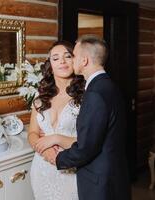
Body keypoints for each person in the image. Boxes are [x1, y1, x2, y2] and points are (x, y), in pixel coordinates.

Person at [36, 35, 131, 200]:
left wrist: (58, 158)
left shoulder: (94, 93)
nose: (70, 60)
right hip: (111, 174)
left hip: (98, 180)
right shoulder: (109, 86)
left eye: (73, 56)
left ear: (84, 60)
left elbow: (86, 147)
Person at [28, 41, 85, 200]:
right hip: (42, 169)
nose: (62, 61)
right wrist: (45, 151)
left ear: (75, 61)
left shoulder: (85, 96)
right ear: (50, 65)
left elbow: (90, 141)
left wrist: (57, 141)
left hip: (71, 169)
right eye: (56, 58)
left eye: (68, 56)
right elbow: (32, 133)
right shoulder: (40, 97)